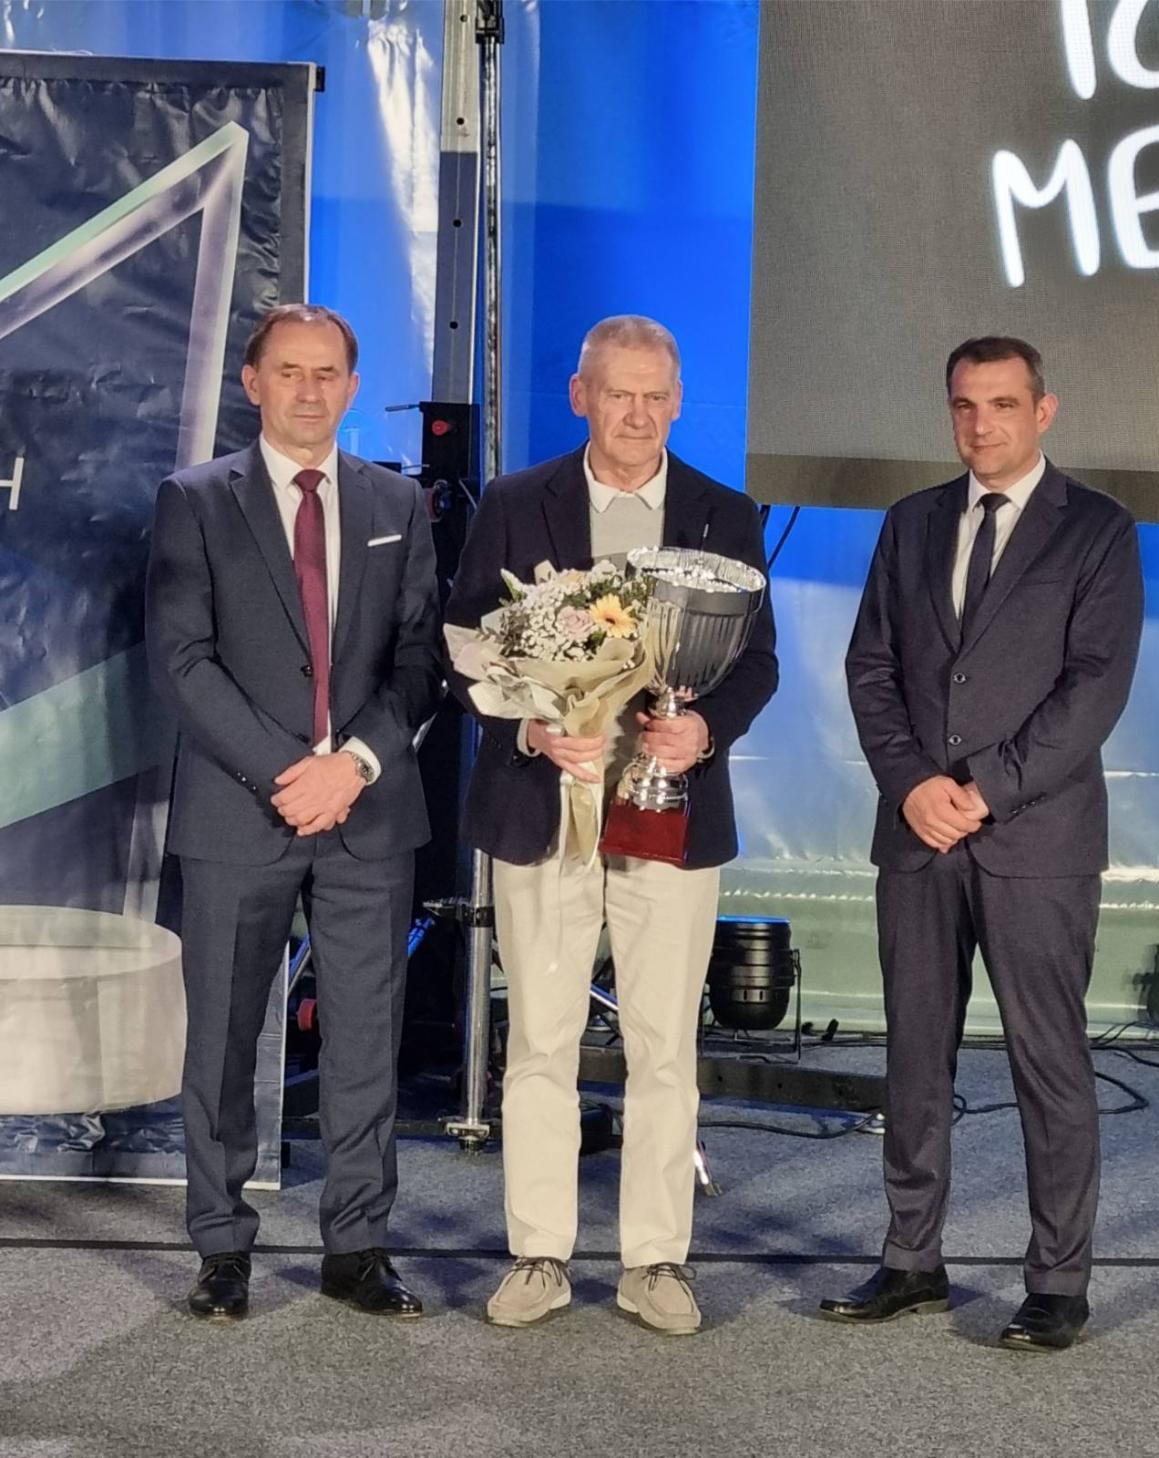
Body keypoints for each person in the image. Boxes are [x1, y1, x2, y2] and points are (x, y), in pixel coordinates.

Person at [445, 315, 778, 1334]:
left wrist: (704, 731)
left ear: (676, 403)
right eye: (617, 392)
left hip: (670, 815)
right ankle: (538, 1254)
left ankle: (656, 1262)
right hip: (543, 808)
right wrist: (530, 729)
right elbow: (466, 645)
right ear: (580, 396)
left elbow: (758, 663)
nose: (636, 414)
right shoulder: (514, 503)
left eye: (654, 396)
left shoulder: (725, 513)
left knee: (663, 1045)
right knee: (540, 1041)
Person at [828, 336, 1143, 1351]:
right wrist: (913, 785)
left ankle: (1057, 1281)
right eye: (965, 405)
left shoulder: (1098, 528)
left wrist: (981, 790)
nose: (982, 424)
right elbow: (871, 667)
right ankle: (911, 1259)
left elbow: (1093, 688)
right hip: (918, 834)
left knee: (1048, 1061)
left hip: (1036, 840)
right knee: (914, 1056)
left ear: (1043, 410)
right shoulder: (910, 522)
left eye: (1003, 404)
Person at [145, 303, 441, 1320]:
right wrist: (291, 772)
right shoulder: (194, 501)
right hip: (241, 811)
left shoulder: (398, 501)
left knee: (365, 1038)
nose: (310, 390)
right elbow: (184, 661)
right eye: (290, 371)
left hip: (368, 811)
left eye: (327, 373)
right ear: (252, 382)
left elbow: (420, 659)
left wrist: (351, 765)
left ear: (352, 388)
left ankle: (357, 1248)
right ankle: (221, 1248)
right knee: (224, 1038)